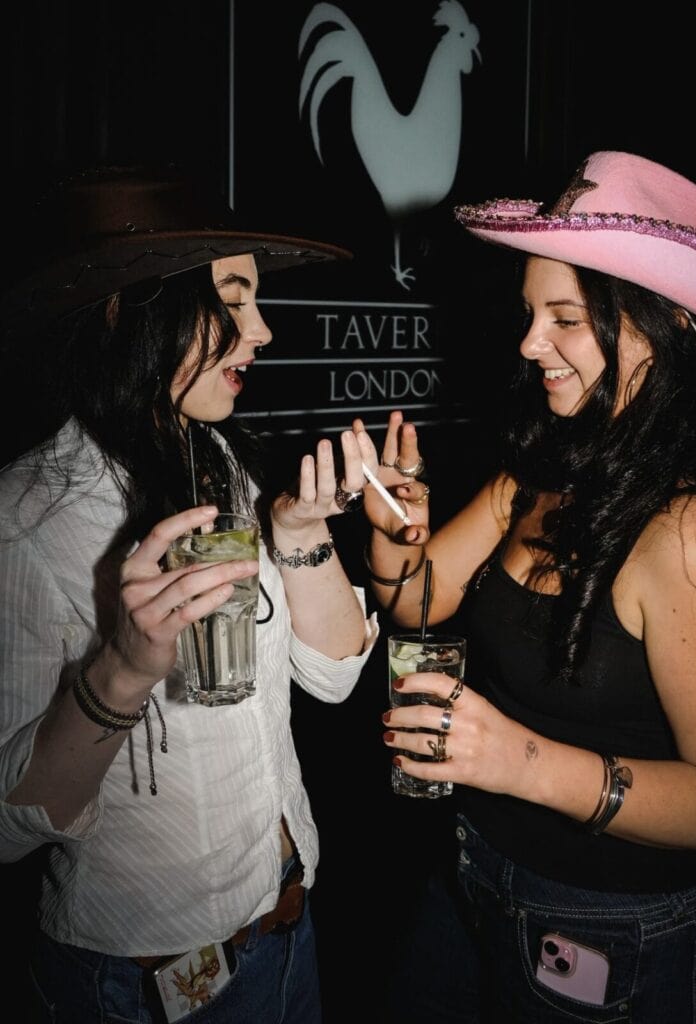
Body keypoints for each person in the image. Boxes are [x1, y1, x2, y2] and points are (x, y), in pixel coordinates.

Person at [353, 151, 696, 1023]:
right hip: (475, 869)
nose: (528, 343)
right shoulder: (541, 468)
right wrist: (394, 534)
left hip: (624, 928)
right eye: (529, 313)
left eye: (564, 316)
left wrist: (512, 759)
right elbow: (413, 603)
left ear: (658, 325)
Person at [0, 165, 378, 1023]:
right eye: (234, 299)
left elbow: (332, 677)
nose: (263, 331)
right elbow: (8, 829)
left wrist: (300, 533)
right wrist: (121, 676)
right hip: (142, 984)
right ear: (126, 311)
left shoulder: (224, 467)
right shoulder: (24, 520)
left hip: (287, 929)